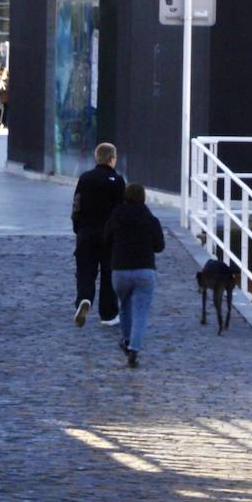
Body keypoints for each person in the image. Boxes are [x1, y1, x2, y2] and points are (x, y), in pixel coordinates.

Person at [104, 183, 165, 368]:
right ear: (144, 197)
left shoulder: (115, 216)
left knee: (124, 307)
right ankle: (134, 349)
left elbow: (106, 240)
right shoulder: (150, 219)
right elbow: (159, 246)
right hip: (144, 271)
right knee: (140, 312)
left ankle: (126, 339)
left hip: (120, 271)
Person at [71, 142, 126, 329]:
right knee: (108, 273)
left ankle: (84, 299)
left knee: (85, 270)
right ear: (112, 159)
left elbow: (76, 205)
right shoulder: (117, 181)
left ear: (97, 157)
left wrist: (77, 228)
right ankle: (109, 314)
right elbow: (121, 210)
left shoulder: (85, 178)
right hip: (109, 235)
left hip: (86, 232)